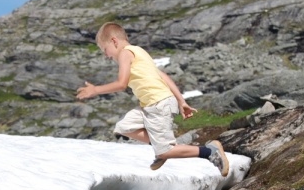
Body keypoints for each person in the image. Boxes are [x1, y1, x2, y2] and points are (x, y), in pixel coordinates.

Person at [76, 22, 229, 176]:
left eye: (105, 50)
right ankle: (160, 147)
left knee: (165, 151)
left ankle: (209, 151)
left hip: (159, 103)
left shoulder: (125, 53)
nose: (106, 55)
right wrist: (181, 101)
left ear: (114, 41)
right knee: (124, 127)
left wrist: (95, 90)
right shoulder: (140, 52)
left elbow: (121, 84)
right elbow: (163, 76)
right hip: (150, 104)